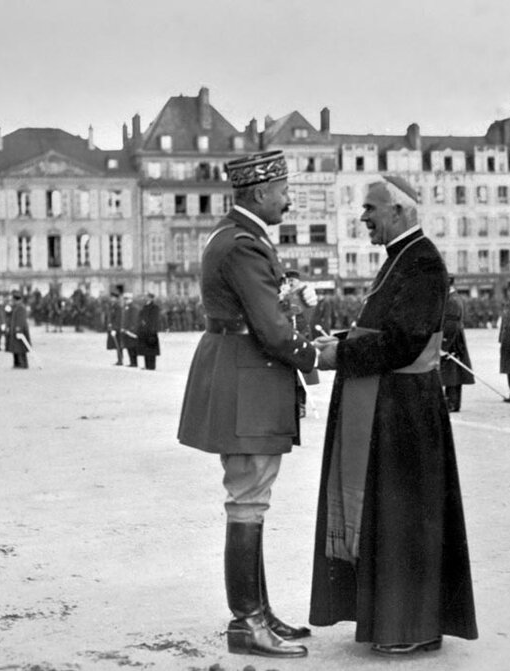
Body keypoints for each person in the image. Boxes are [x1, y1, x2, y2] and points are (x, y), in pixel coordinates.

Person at [309, 176, 477, 655]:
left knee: (404, 521)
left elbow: (403, 344)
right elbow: (379, 330)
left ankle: (409, 626)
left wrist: (339, 357)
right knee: (393, 521)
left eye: (370, 209)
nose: (363, 218)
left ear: (400, 212)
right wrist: (341, 342)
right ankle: (393, 622)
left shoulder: (422, 262)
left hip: (405, 412)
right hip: (389, 408)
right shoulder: (401, 259)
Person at [177, 150, 315, 658]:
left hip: (240, 371)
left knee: (252, 494)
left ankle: (259, 611)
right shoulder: (244, 246)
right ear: (259, 193)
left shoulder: (235, 237)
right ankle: (247, 622)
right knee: (248, 497)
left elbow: (261, 307)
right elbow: (272, 330)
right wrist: (311, 355)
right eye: (282, 190)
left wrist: (288, 302)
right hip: (247, 376)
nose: (289, 199)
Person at [279, 270, 319, 417]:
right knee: (289, 376)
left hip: (302, 336)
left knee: (302, 377)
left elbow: (309, 310)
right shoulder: (283, 296)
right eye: (288, 281)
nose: (290, 283)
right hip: (287, 337)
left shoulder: (303, 294)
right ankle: (291, 405)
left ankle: (301, 405)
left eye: (293, 281)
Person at [440, 275, 474, 412]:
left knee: (452, 373)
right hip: (452, 340)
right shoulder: (450, 298)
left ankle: (452, 404)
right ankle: (451, 402)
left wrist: (444, 346)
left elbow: (451, 325)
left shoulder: (453, 301)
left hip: (453, 341)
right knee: (451, 372)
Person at [5, 290, 30, 369]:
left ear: (17, 300)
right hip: (14, 331)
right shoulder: (15, 307)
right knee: (15, 348)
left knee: (21, 348)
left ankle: (23, 364)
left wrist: (18, 329)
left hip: (20, 331)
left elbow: (21, 320)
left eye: (13, 300)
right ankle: (17, 363)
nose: (13, 302)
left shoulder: (21, 308)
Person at [136, 293, 161, 370]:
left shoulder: (155, 307)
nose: (146, 299)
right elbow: (140, 316)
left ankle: (152, 365)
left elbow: (155, 319)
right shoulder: (144, 307)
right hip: (144, 331)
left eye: (148, 298)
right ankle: (147, 365)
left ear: (151, 298)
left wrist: (149, 325)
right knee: (145, 349)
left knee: (151, 349)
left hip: (151, 331)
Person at [105, 291, 124, 366]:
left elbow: (118, 318)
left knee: (118, 344)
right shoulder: (112, 306)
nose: (112, 299)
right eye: (111, 297)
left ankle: (120, 360)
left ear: (116, 299)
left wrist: (115, 328)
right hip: (112, 327)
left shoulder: (118, 307)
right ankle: (119, 359)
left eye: (113, 298)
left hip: (116, 328)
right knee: (116, 345)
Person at [121, 293, 140, 367]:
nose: (126, 301)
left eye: (127, 299)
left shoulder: (134, 307)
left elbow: (134, 319)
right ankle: (131, 361)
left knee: (133, 346)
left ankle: (134, 362)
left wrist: (131, 328)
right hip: (126, 330)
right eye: (125, 299)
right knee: (128, 346)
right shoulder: (125, 307)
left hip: (132, 330)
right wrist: (123, 327)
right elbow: (124, 319)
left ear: (131, 299)